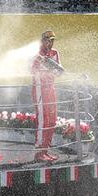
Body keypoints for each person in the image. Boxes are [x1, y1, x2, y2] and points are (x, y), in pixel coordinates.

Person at [31, 30, 64, 162]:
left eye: (52, 40)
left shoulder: (55, 53)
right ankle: (39, 152)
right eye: (47, 40)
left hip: (51, 89)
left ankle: (45, 150)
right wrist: (41, 62)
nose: (50, 43)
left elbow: (60, 72)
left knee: (52, 120)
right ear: (42, 41)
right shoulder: (36, 54)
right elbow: (32, 71)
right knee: (43, 120)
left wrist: (51, 67)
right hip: (40, 89)